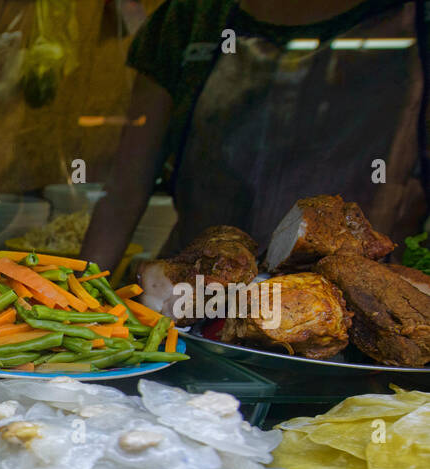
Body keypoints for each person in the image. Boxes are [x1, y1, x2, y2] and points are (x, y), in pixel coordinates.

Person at [80, 0, 429, 272]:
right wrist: (80, 306)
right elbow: (125, 191)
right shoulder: (194, 15)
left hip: (359, 334)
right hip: (195, 313)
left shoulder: (419, 21)